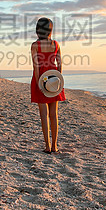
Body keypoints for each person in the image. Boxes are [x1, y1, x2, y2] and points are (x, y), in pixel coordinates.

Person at [30, 17, 65, 153]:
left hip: (41, 79)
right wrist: (58, 80)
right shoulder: (56, 44)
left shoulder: (35, 45)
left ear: (38, 30)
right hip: (54, 78)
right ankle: (55, 146)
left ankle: (47, 146)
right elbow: (60, 64)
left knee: (43, 115)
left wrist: (40, 83)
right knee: (53, 114)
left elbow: (36, 66)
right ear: (50, 30)